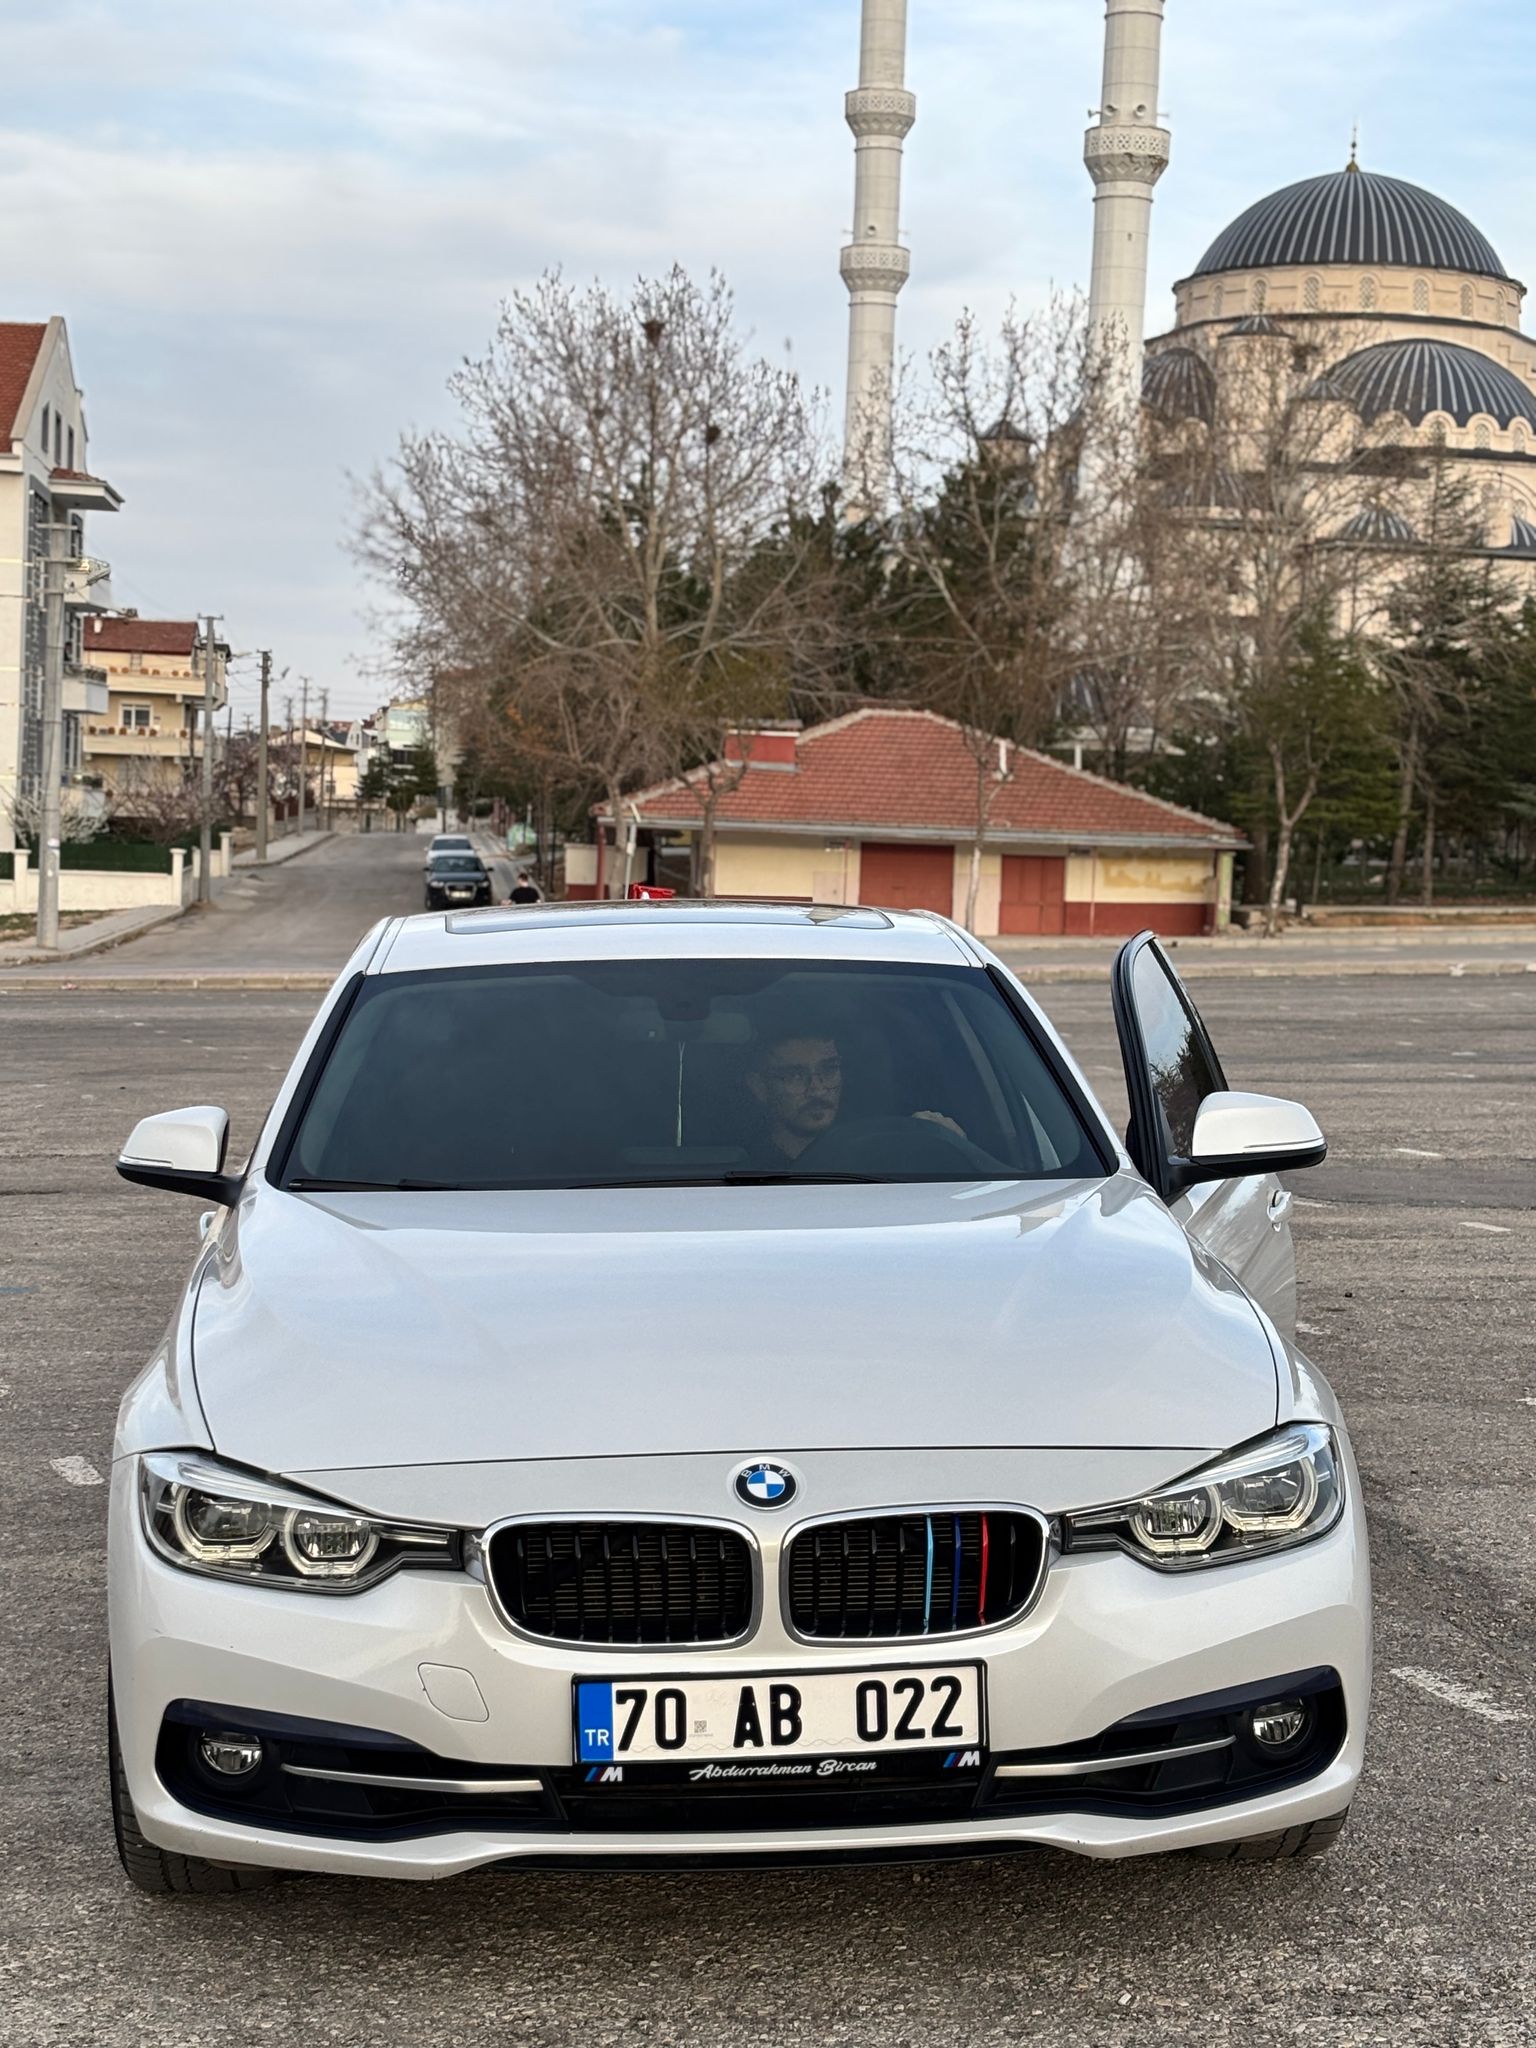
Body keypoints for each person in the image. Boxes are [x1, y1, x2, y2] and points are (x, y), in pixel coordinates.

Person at [744, 1027, 967, 1164]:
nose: (817, 1089)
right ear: (759, 1087)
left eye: (829, 1069)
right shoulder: (741, 1169)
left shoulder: (886, 1157)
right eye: (795, 1075)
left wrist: (949, 1144)